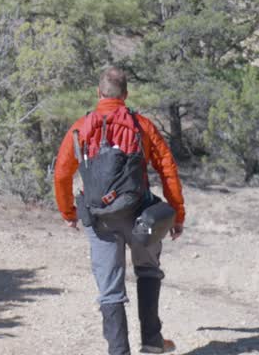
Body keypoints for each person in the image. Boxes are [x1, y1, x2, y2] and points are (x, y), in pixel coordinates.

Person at [53, 66, 186, 355]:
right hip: (141, 215)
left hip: (99, 219)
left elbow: (62, 174)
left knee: (110, 290)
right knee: (148, 270)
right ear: (125, 95)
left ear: (98, 93)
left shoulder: (80, 128)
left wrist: (68, 213)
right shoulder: (143, 126)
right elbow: (168, 169)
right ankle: (152, 340)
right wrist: (177, 214)